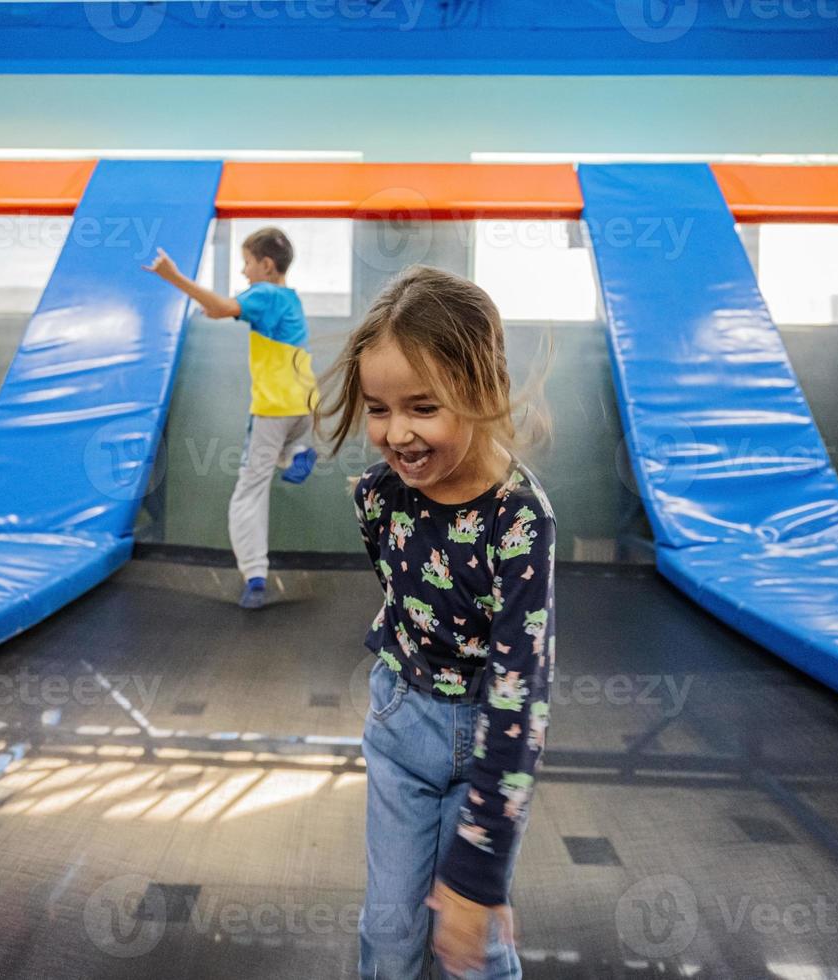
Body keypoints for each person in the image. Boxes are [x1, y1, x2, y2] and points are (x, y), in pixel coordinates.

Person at [315, 264, 555, 979]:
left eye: (423, 407)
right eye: (379, 409)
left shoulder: (519, 518)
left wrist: (479, 870)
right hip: (399, 726)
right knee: (390, 935)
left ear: (480, 391)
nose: (396, 433)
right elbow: (401, 590)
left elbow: (521, 693)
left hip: (491, 734)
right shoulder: (379, 496)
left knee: (471, 944)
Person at [143, 227, 317, 609]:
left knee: (248, 493)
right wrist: (218, 308)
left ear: (266, 265)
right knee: (281, 451)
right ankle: (296, 454)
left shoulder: (265, 293)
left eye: (247, 264)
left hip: (274, 408)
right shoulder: (286, 298)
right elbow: (227, 309)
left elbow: (224, 307)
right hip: (303, 407)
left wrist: (174, 278)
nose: (243, 272)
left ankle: (254, 576)